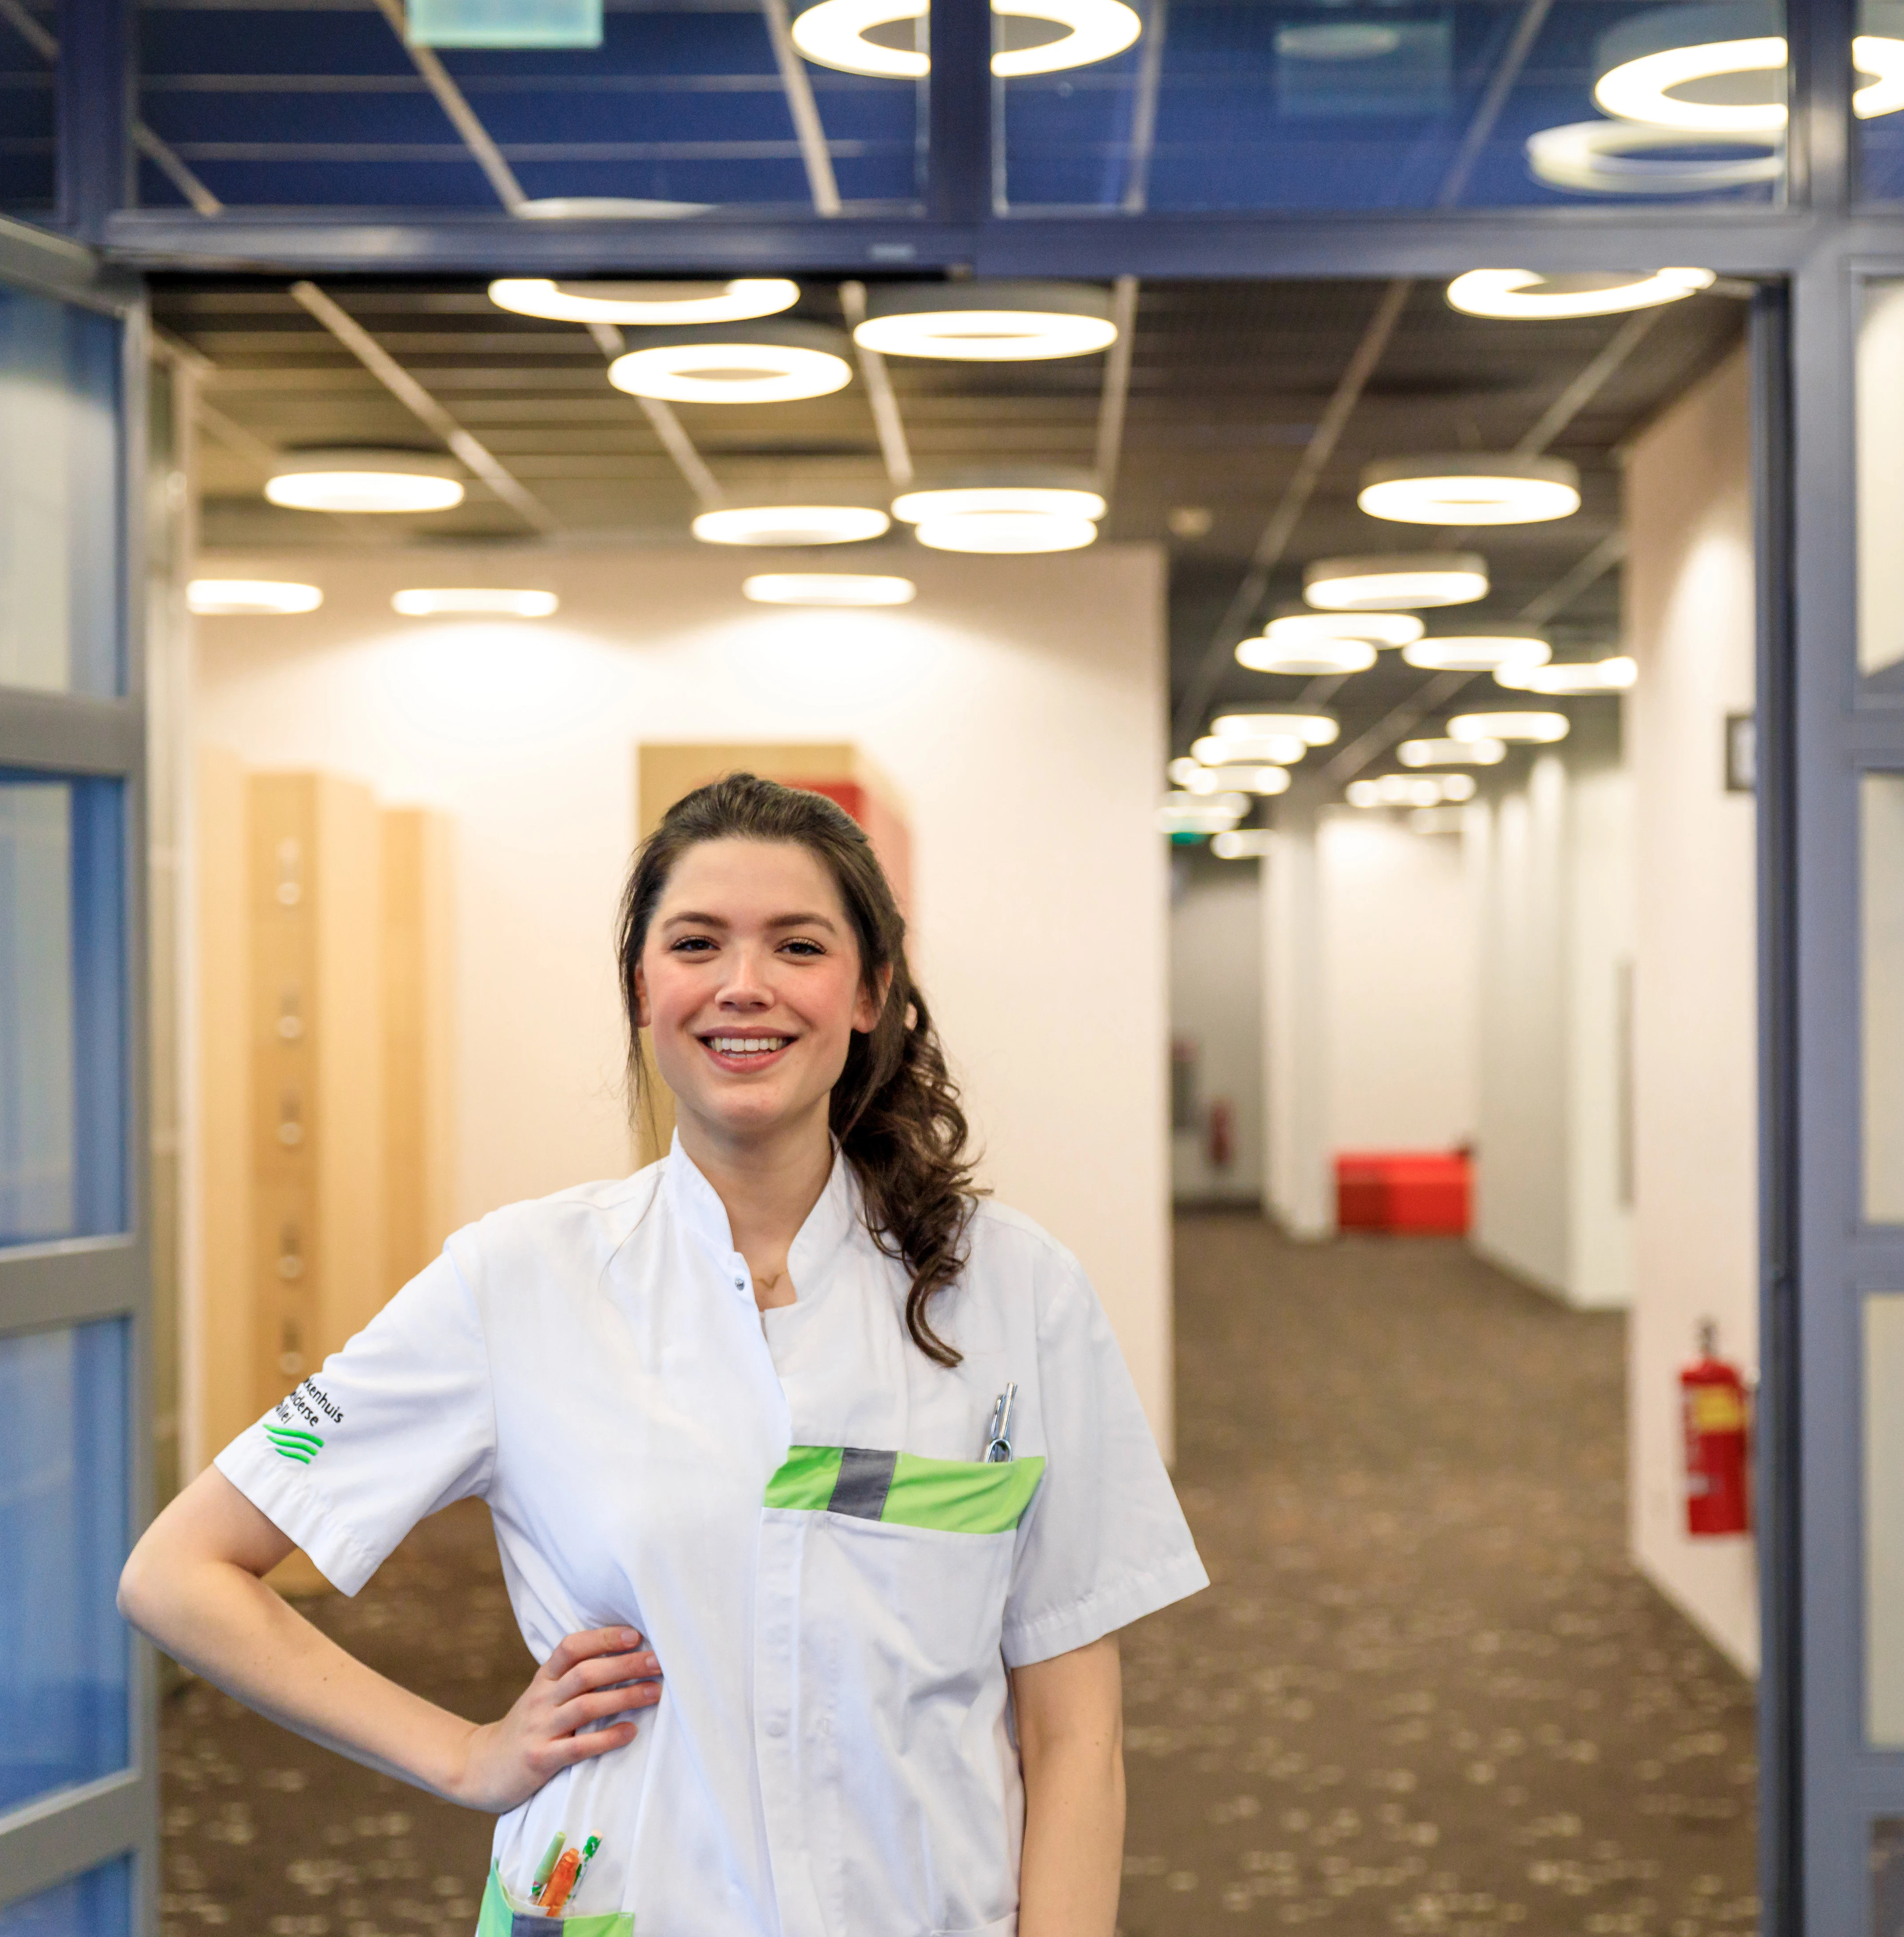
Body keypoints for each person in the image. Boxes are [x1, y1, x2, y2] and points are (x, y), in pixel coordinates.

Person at [120, 772, 1206, 1937]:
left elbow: (1075, 1734)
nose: (745, 985)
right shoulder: (519, 1279)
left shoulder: (1017, 1291)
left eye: (798, 944)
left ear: (870, 990)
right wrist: (463, 1756)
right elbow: (180, 1572)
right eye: (697, 943)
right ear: (643, 987)